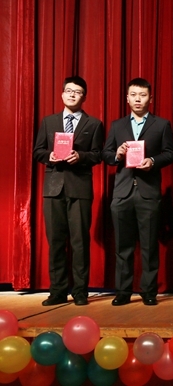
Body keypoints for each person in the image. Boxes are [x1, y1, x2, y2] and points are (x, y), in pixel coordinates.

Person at [102, 78, 173, 306]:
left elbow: (169, 153)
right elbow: (106, 154)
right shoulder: (117, 125)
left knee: (149, 246)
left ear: (150, 98)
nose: (138, 99)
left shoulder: (161, 124)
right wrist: (117, 154)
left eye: (142, 95)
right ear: (127, 98)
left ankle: (149, 291)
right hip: (122, 193)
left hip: (148, 193)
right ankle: (123, 292)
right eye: (133, 95)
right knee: (122, 247)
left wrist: (152, 161)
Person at [33, 76, 104, 306]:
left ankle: (80, 292)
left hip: (80, 189)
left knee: (80, 242)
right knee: (55, 241)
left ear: (84, 97)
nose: (72, 94)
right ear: (62, 93)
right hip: (53, 188)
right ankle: (57, 291)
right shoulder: (48, 121)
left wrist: (80, 156)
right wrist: (50, 156)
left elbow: (98, 155)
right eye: (69, 91)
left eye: (78, 92)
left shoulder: (94, 124)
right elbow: (38, 151)